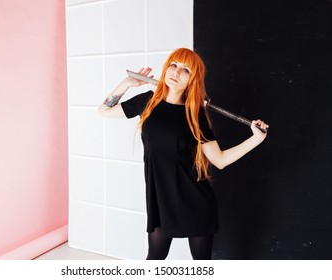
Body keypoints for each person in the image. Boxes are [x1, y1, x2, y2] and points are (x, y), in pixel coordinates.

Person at [97, 48, 268, 260]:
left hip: (195, 200)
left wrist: (256, 139)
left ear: (192, 80)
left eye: (185, 70)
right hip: (160, 198)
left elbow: (220, 160)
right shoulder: (148, 102)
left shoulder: (195, 114)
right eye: (173, 65)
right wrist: (127, 84)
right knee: (155, 258)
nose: (176, 72)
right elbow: (103, 110)